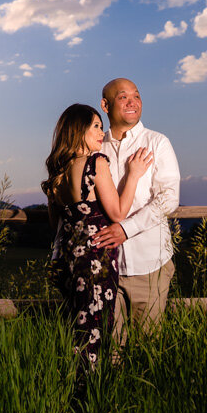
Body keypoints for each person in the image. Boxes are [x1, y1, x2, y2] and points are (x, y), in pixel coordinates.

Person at [42, 103, 153, 369]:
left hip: (67, 263)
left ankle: (73, 385)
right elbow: (117, 212)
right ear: (78, 130)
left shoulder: (58, 173)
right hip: (95, 261)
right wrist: (134, 175)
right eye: (95, 126)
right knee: (96, 330)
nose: (101, 132)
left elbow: (55, 223)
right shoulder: (95, 162)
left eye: (101, 126)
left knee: (78, 327)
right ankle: (88, 395)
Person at [89, 77, 181, 343]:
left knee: (147, 346)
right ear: (105, 105)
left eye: (137, 96)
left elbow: (169, 198)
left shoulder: (157, 143)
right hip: (104, 266)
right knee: (111, 347)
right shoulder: (97, 146)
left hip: (149, 263)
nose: (133, 102)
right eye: (123, 97)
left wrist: (126, 229)